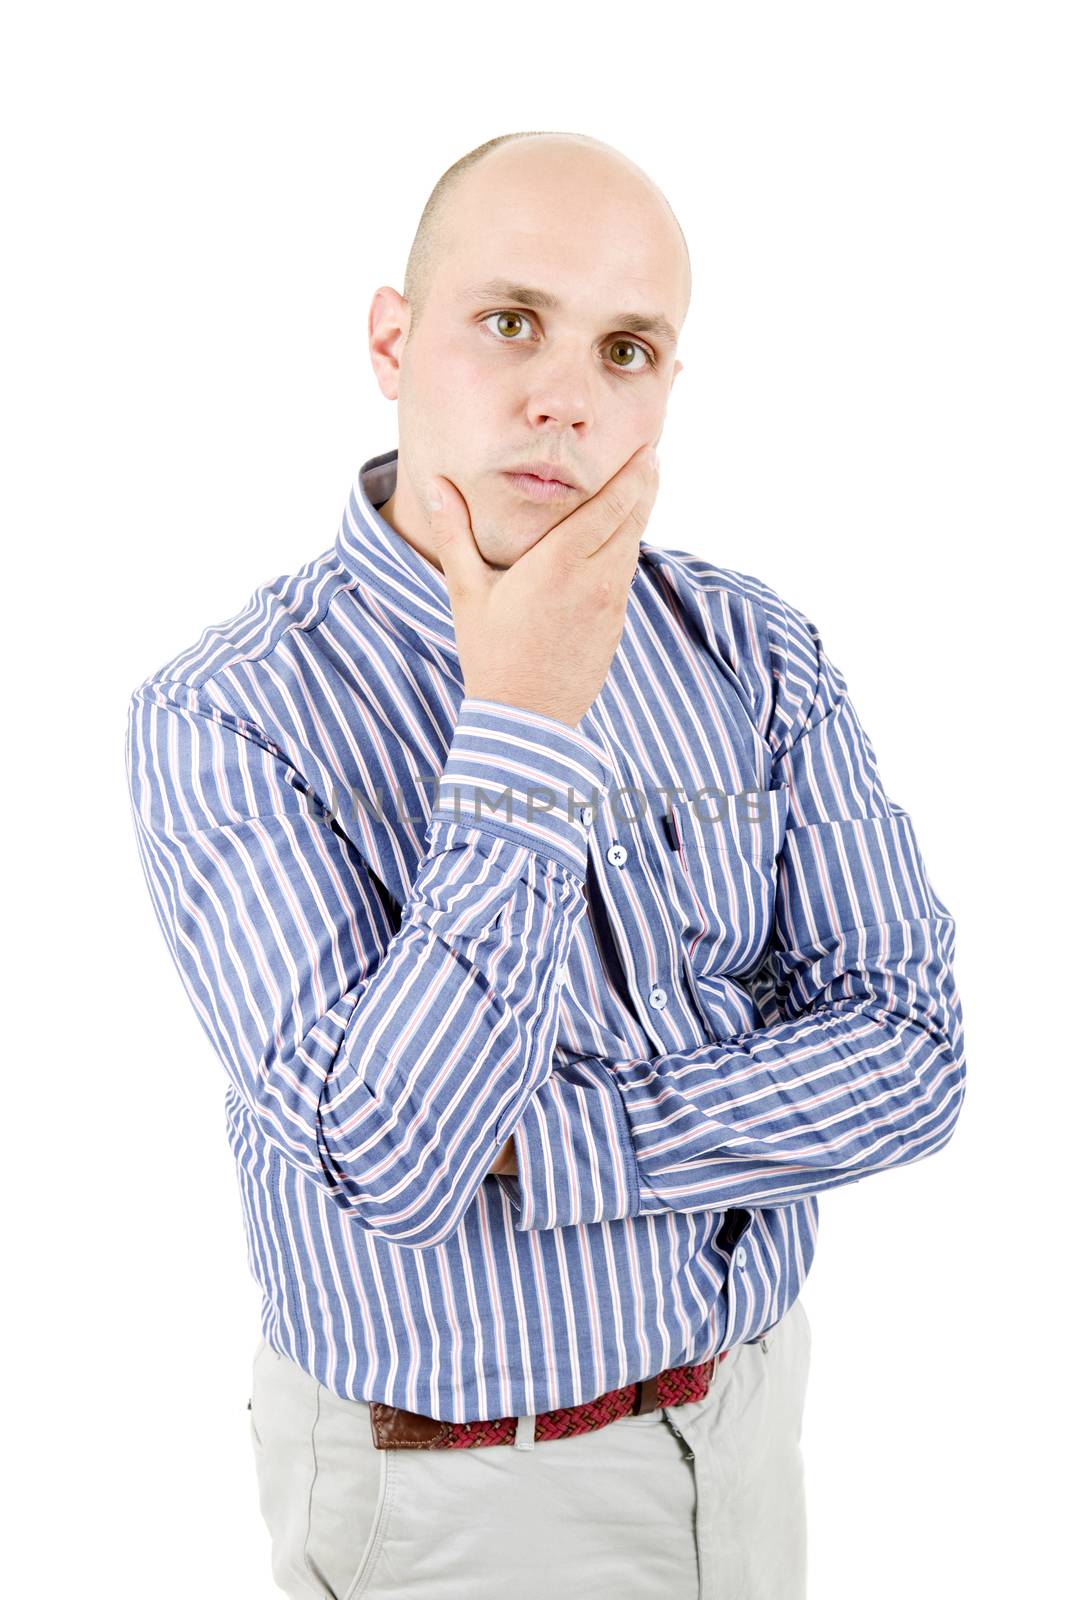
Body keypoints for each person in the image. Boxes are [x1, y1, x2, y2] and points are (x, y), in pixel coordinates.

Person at [124, 129, 967, 1600]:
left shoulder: (750, 649)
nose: (565, 398)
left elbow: (912, 1054)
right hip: (454, 1491)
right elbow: (397, 1158)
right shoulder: (228, 714)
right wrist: (522, 719)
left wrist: (549, 1145)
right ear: (394, 340)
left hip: (747, 1426)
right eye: (510, 322)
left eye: (628, 349)